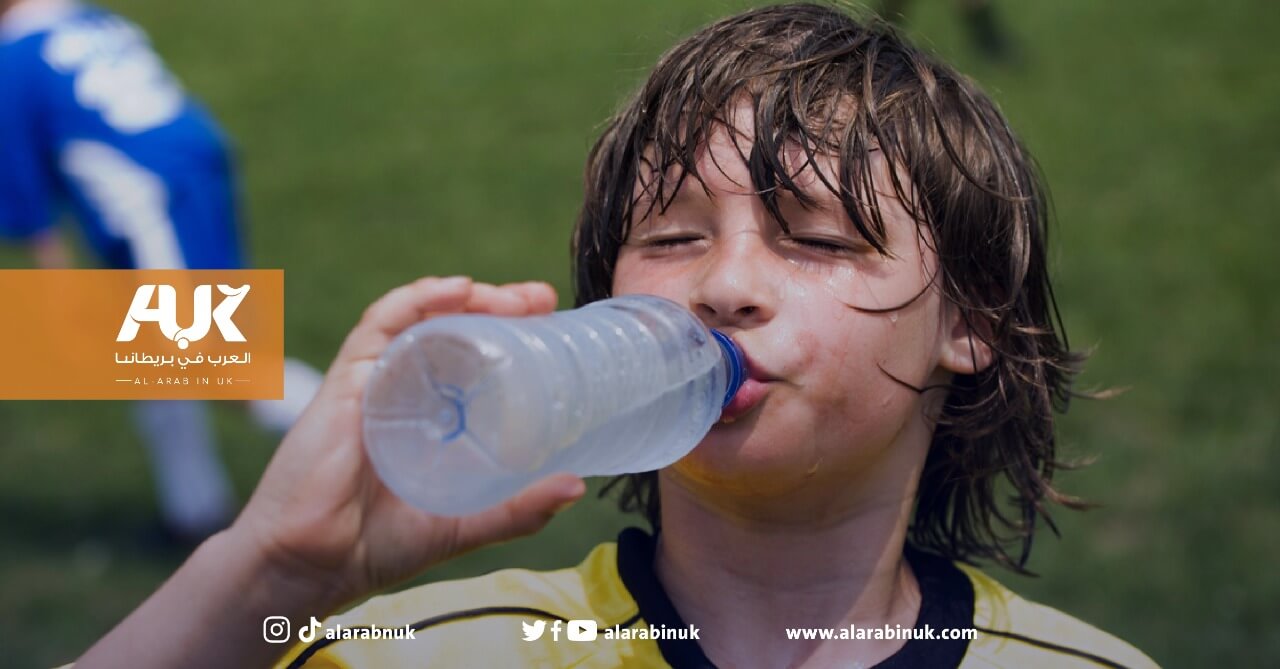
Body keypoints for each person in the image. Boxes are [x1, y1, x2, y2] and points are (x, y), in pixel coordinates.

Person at [69, 4, 1159, 668]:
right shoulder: (427, 654)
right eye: (673, 237)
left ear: (965, 323)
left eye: (817, 241)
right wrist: (269, 575)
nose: (724, 284)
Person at [0, 0, 322, 543]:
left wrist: (56, 284)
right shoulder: (89, 18)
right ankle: (193, 511)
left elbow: (27, 200)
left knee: (209, 365)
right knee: (153, 362)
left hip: (151, 201)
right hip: (191, 170)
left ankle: (386, 436)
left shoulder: (13, 60)